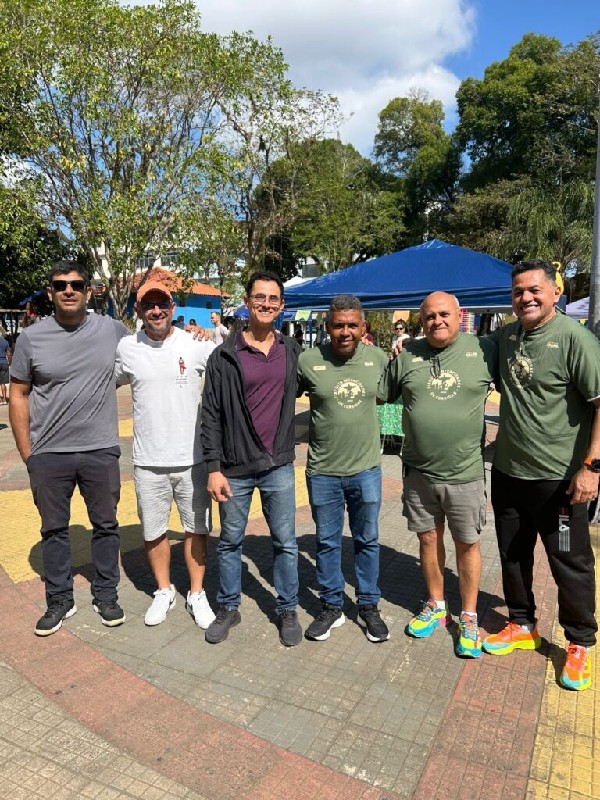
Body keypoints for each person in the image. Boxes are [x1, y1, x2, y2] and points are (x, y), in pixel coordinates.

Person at [482, 259, 600, 691]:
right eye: (518, 292)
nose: (526, 298)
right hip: (509, 474)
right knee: (513, 553)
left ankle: (579, 641)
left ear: (555, 293)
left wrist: (591, 468)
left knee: (568, 560)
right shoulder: (506, 337)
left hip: (560, 484)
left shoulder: (575, 339)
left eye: (534, 290)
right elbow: (458, 349)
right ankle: (521, 623)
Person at [9, 261, 129, 635]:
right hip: (48, 454)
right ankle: (59, 599)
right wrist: (29, 454)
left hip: (100, 450)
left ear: (88, 291)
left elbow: (149, 352)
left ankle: (106, 594)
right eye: (60, 285)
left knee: (106, 525)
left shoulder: (112, 330)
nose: (68, 290)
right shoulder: (31, 338)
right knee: (53, 530)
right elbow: (18, 394)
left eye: (76, 284)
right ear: (51, 293)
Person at [377, 292, 496, 658]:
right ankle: (437, 605)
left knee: (467, 543)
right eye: (429, 316)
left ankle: (469, 616)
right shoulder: (408, 355)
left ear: (459, 315)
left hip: (465, 473)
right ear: (421, 320)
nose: (437, 321)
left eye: (444, 314)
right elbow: (379, 394)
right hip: (418, 473)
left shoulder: (485, 350)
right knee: (428, 540)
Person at [201, 271, 303, 646]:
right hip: (234, 467)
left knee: (286, 542)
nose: (265, 304)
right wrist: (213, 468)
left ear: (282, 306)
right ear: (246, 302)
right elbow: (210, 414)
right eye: (259, 297)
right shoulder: (224, 355)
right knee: (230, 542)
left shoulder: (292, 351)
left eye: (273, 298)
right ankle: (229, 606)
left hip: (278, 464)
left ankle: (287, 608)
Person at [115, 280, 216, 629]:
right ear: (138, 310)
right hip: (147, 461)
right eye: (148, 305)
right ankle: (164, 589)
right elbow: (101, 381)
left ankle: (197, 593)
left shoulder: (195, 343)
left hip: (193, 459)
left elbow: (232, 364)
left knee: (196, 529)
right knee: (153, 531)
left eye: (162, 305)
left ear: (173, 308)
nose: (156, 311)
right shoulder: (127, 347)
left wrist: (212, 332)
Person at [297, 295, 390, 643]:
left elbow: (392, 393)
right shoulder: (308, 360)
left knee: (367, 541)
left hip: (366, 470)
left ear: (363, 327)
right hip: (323, 471)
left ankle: (368, 606)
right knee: (326, 542)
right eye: (338, 325)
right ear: (328, 327)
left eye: (352, 325)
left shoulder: (378, 359)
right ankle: (332, 606)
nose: (345, 332)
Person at [0, 329, 11, 404]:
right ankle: (4, 400)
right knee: (3, 382)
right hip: (4, 363)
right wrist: (9, 363)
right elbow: (8, 354)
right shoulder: (5, 342)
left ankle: (0, 400)